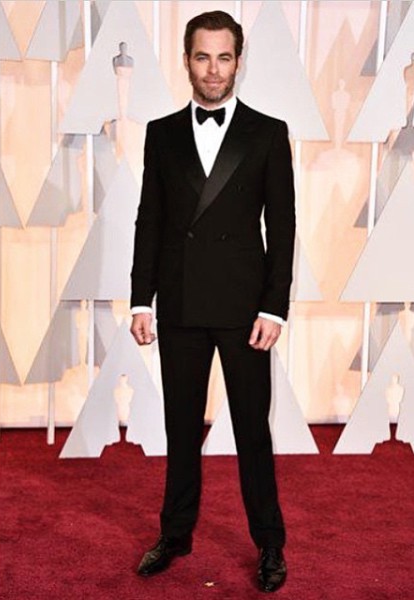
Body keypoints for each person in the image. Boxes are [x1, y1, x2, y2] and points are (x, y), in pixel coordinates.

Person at [129, 10, 295, 593]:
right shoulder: (162, 133)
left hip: (246, 310)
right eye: (203, 56)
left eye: (224, 57)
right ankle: (175, 534)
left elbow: (283, 226)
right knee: (181, 428)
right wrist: (140, 300)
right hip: (178, 303)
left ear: (238, 62)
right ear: (187, 61)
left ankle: (270, 544)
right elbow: (150, 220)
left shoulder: (267, 132)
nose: (214, 69)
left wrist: (274, 307)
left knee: (252, 431)